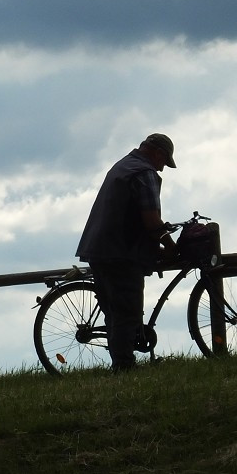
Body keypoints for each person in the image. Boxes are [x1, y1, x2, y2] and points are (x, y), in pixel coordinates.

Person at [76, 133, 178, 371]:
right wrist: (171, 246)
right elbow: (152, 221)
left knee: (114, 311)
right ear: (158, 153)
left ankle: (121, 363)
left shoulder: (122, 165)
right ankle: (124, 367)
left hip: (98, 248)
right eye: (165, 162)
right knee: (126, 311)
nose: (163, 169)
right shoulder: (145, 173)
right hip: (120, 252)